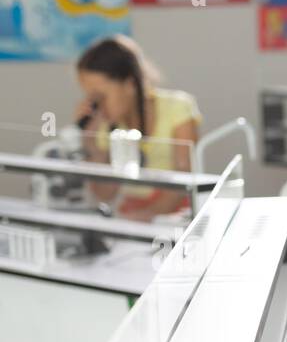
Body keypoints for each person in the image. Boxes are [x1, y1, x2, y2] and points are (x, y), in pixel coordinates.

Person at [74, 35, 201, 220]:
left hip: (176, 218)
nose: (96, 106)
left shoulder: (178, 109)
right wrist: (89, 142)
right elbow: (105, 194)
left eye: (100, 96)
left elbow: (184, 176)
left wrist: (148, 217)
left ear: (130, 83)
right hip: (132, 217)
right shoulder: (104, 127)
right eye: (91, 99)